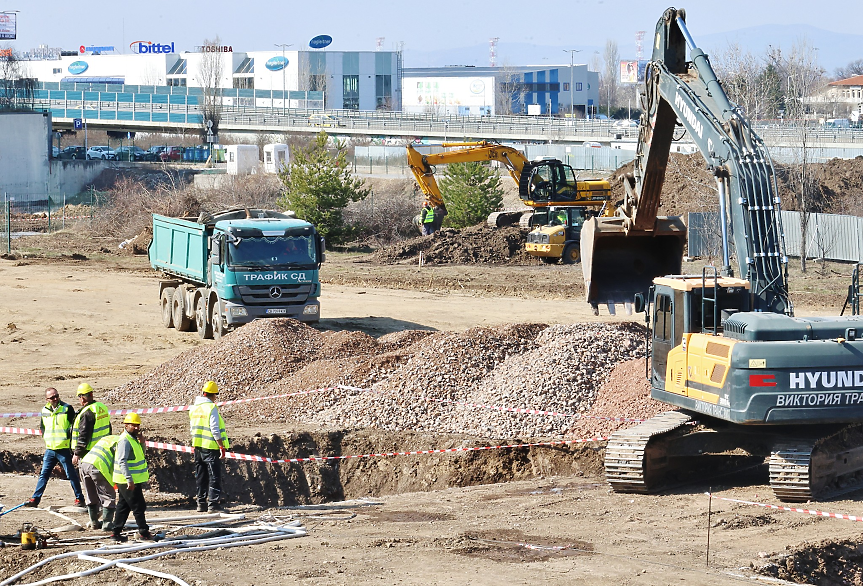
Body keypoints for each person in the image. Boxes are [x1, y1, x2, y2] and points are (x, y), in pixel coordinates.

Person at [26, 388, 84, 507]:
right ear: (47, 399)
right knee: (44, 475)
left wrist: (73, 447)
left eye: (57, 396)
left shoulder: (67, 409)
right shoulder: (45, 410)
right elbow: (43, 427)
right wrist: (46, 437)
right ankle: (35, 499)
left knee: (71, 474)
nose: (55, 399)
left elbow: (74, 427)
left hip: (63, 449)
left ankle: (80, 498)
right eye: (52, 397)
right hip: (50, 449)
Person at [70, 382, 112, 528]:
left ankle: (100, 523)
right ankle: (100, 521)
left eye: (82, 396)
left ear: (85, 396)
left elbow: (83, 435)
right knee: (102, 488)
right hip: (103, 453)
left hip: (88, 456)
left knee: (92, 490)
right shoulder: (102, 408)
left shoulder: (87, 413)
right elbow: (108, 429)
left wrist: (77, 454)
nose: (81, 399)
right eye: (80, 397)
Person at [189, 381, 230, 513]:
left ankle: (201, 503)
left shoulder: (194, 408)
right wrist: (221, 446)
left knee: (201, 476)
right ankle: (213, 505)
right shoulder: (211, 408)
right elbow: (215, 429)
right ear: (213, 395)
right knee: (214, 476)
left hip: (198, 447)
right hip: (210, 447)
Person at [111, 413, 152, 542]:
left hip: (131, 480)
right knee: (138, 506)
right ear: (126, 425)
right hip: (127, 480)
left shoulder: (133, 439)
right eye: (133, 425)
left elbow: (140, 455)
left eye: (137, 425)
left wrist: (143, 443)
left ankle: (115, 533)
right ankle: (144, 532)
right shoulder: (124, 440)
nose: (136, 428)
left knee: (123, 506)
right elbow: (122, 461)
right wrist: (129, 479)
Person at [79, 434, 119, 531]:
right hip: (98, 466)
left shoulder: (109, 438)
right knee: (108, 495)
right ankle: (107, 524)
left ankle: (94, 523)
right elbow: (119, 464)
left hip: (84, 463)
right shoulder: (123, 443)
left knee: (90, 494)